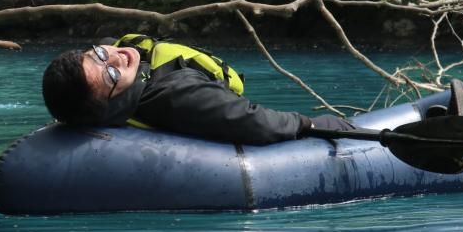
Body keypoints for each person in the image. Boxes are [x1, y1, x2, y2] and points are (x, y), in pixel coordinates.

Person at [42, 33, 358, 145]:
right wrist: (311, 125)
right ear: (110, 104)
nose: (116, 56)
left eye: (98, 54)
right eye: (110, 75)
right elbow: (254, 121)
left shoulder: (119, 54)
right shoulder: (176, 96)